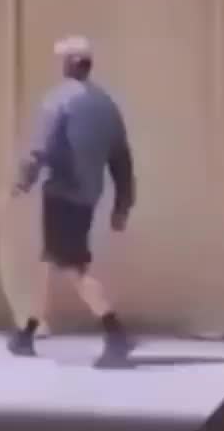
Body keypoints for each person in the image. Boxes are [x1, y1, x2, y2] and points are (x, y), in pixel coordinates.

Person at [8, 36, 136, 369]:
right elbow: (121, 160)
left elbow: (40, 148)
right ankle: (27, 333)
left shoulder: (58, 100)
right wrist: (122, 204)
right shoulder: (107, 105)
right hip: (88, 196)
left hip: (62, 194)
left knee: (72, 268)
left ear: (67, 65)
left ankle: (115, 332)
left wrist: (23, 181)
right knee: (52, 261)